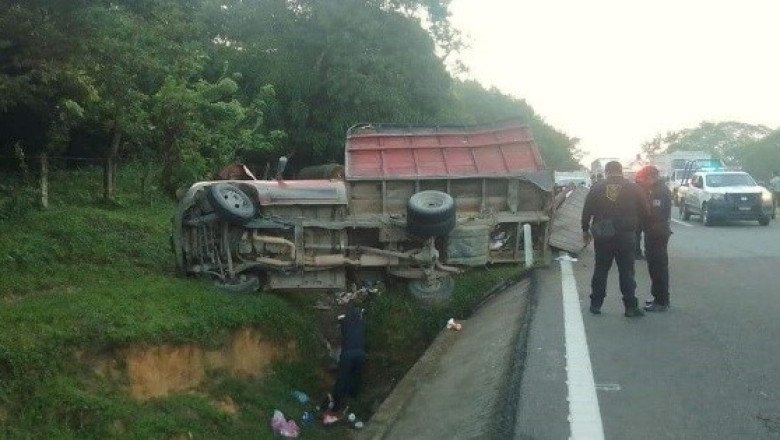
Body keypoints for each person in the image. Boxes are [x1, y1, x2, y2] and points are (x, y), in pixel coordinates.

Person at [581, 161, 648, 317]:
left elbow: (586, 211)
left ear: (606, 172)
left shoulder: (597, 187)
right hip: (626, 233)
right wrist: (637, 226)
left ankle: (595, 304)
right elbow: (645, 210)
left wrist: (585, 230)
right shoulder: (634, 188)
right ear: (621, 171)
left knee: (601, 269)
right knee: (627, 271)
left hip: (603, 231)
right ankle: (630, 307)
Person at [636, 165, 672, 312]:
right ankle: (658, 297)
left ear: (651, 177)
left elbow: (654, 212)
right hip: (653, 231)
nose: (643, 182)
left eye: (644, 179)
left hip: (657, 232)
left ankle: (662, 301)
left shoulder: (660, 192)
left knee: (658, 267)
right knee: (654, 267)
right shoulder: (654, 189)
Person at [325, 305, 366, 423]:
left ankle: (336, 405)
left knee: (342, 379)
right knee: (356, 377)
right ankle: (353, 398)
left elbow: (338, 323)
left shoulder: (345, 322)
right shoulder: (362, 323)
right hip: (361, 354)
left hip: (348, 354)